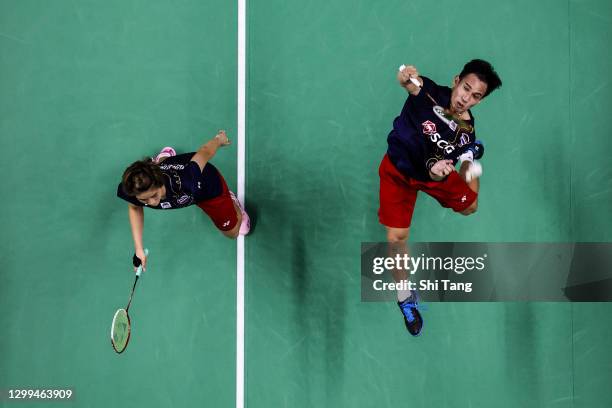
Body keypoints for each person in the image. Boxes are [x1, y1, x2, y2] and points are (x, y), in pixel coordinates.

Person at [379, 59, 502, 336]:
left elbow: (435, 175)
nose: (465, 98)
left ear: (480, 101)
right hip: (398, 171)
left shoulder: (465, 133)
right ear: (456, 80)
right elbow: (408, 81)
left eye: (475, 96)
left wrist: (439, 171)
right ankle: (404, 297)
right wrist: (404, 75)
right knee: (395, 239)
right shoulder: (427, 91)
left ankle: (472, 158)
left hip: (432, 173)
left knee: (471, 206)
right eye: (465, 88)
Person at [117, 130, 250, 271]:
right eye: (144, 199)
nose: (151, 202)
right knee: (164, 166)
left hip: (208, 190)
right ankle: (161, 160)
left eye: (154, 195)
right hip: (175, 182)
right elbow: (134, 207)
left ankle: (231, 201)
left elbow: (204, 152)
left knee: (233, 233)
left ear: (159, 181)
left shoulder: (187, 179)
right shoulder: (135, 188)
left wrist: (219, 140)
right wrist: (138, 248)